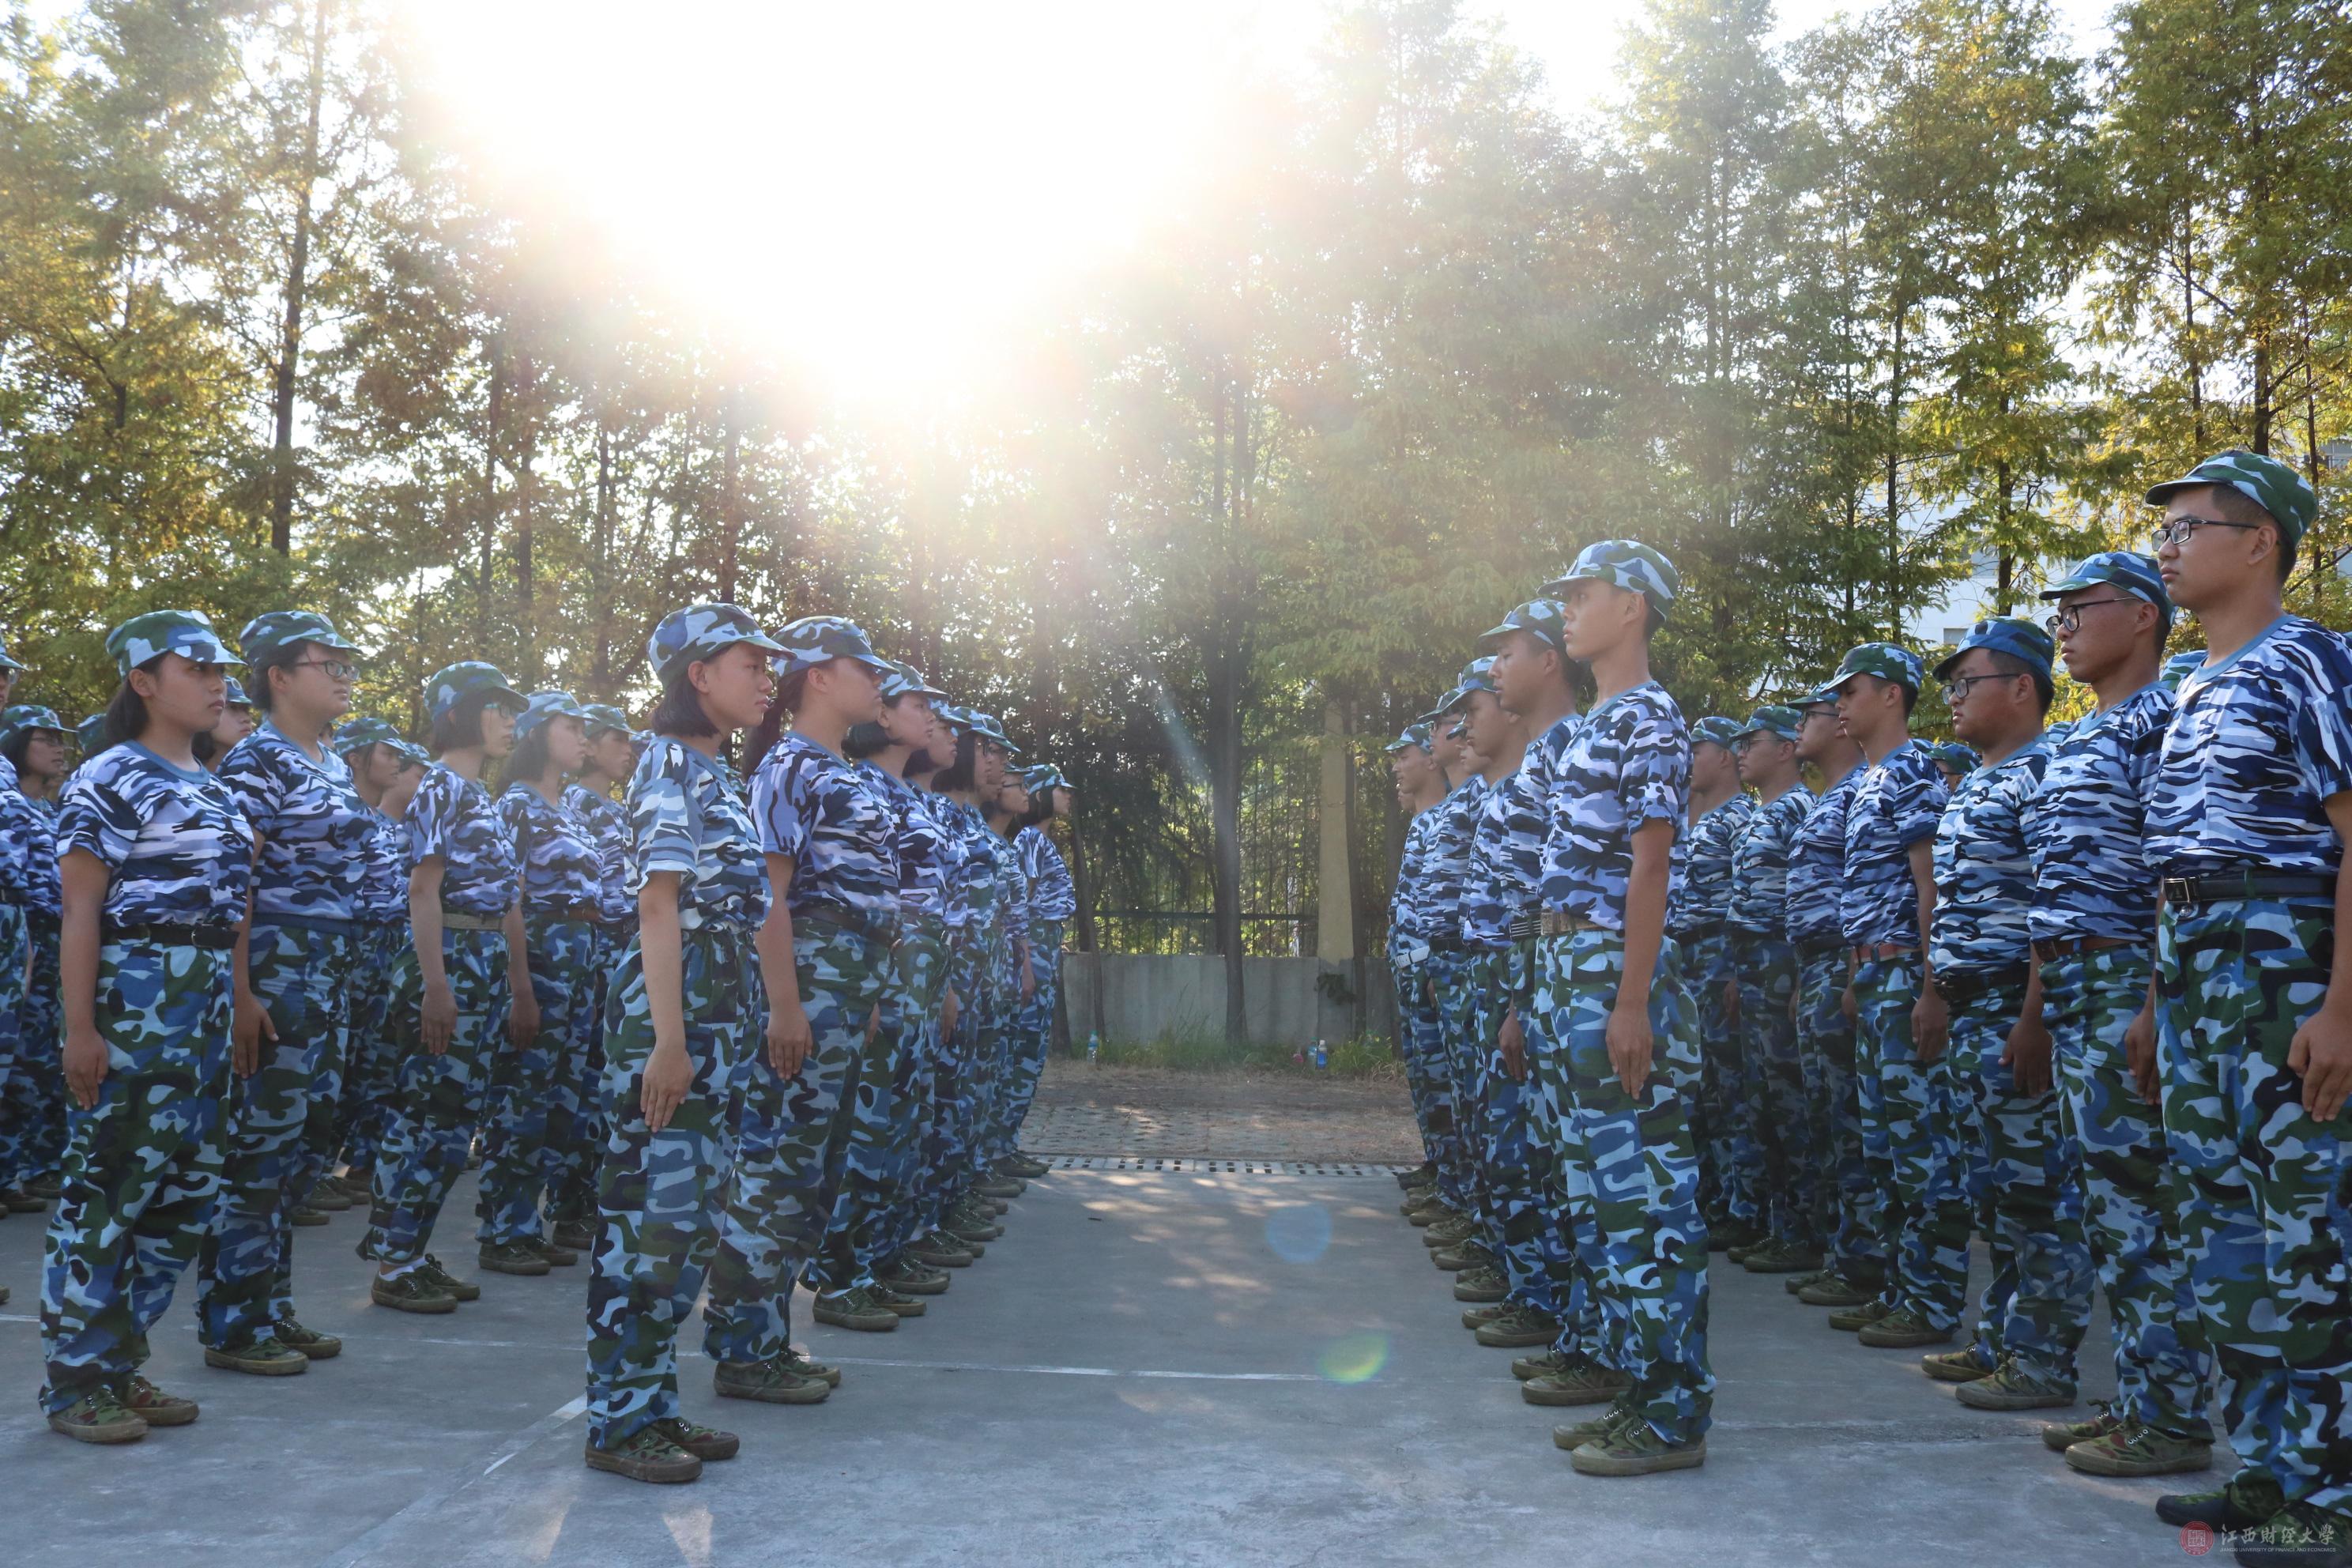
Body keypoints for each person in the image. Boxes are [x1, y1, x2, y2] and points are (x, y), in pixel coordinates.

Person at [2139, 450, 2352, 1562]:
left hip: (2285, 971)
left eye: (2190, 527)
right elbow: (2175, 864)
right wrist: (2154, 1004)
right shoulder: (2193, 687)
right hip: (2198, 977)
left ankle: (2335, 1493)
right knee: (2224, 1234)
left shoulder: (2311, 659)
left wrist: (2345, 1010)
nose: (2167, 546)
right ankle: (2275, 1472)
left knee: (2309, 1232)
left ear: (2260, 538)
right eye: (2165, 532)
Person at [2022, 550, 2214, 1481]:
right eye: (2054, 610)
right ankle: (2144, 1399)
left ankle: (2173, 1418)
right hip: (2073, 990)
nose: (2062, 623)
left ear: (2142, 616)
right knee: (2109, 1212)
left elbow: (2169, 876)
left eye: (2079, 606)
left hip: (2125, 981)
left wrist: (2151, 1001)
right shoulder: (2076, 736)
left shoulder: (2159, 721)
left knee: (2142, 1210)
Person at [41, 610, 254, 1442]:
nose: (217, 682)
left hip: (200, 999)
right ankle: (75, 1384)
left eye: (221, 669)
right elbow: (80, 908)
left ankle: (119, 1359)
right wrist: (80, 1027)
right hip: (136, 990)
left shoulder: (214, 783)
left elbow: (233, 908)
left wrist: (236, 997)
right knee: (110, 1187)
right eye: (196, 668)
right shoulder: (109, 776)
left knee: (188, 1191)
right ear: (141, 682)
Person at [583, 603, 782, 1483]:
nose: (767, 678)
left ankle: (651, 1404)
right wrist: (669, 1041)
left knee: (690, 1217)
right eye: (750, 663)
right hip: (677, 1006)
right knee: (649, 1219)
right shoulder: (668, 766)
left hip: (716, 999)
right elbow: (657, 905)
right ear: (697, 675)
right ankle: (619, 1422)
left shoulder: (713, 773)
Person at [1530, 539, 1712, 1476]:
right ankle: (1628, 1382)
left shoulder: (1649, 715)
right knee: (1597, 1196)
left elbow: (1652, 863)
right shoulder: (1596, 721)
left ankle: (1673, 1412)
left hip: (1611, 965)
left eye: (1584, 592)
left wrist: (1632, 999)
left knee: (1646, 1195)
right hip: (1567, 959)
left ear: (1633, 606)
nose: (1568, 608)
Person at [703, 613, 905, 1378]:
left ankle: (765, 1339)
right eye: (865, 667)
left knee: (814, 1172)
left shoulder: (838, 769)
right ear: (818, 676)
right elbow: (770, 900)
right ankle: (743, 1349)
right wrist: (785, 1006)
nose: (877, 680)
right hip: (811, 979)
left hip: (848, 981)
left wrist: (870, 994)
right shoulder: (787, 766)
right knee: (778, 1166)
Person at [196, 611, 371, 1376]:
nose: (342, 676)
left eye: (347, 664)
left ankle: (270, 1305)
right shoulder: (255, 762)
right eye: (326, 663)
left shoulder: (328, 759)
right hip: (275, 960)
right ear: (278, 675)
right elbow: (236, 884)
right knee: (260, 1147)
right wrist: (240, 991)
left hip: (328, 963)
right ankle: (234, 1322)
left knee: (306, 1142)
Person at [1921, 618, 2091, 1404]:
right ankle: (2002, 1339)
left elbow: (2051, 907)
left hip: (2012, 1008)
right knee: (1995, 1192)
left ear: (2021, 687)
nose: (1952, 699)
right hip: (1972, 1009)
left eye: (1967, 684)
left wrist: (2035, 1017)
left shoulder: (2045, 772)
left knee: (2036, 1196)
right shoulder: (1981, 778)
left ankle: (2045, 1361)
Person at [362, 661, 533, 1313]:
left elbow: (505, 898)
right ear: (458, 713)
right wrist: (435, 984)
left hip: (481, 953)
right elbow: (422, 890)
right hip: (452, 954)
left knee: (455, 1119)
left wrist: (516, 983)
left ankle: (410, 1250)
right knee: (428, 1113)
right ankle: (394, 1259)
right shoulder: (440, 787)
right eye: (496, 707)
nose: (510, 721)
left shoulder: (476, 792)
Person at [1822, 641, 1959, 1351]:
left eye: (1852, 691)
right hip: (1874, 976)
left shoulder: (1911, 776)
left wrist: (1932, 988)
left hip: (1908, 974)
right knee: (1882, 1143)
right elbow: (1862, 896)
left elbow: (1929, 886)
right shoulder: (1870, 781)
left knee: (1919, 1147)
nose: (1840, 704)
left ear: (1893, 696)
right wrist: (1853, 977)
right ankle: (1902, 1289)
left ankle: (1932, 1301)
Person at [846, 661, 959, 1299]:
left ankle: (884, 1252)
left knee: (903, 1122)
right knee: (870, 1125)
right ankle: (846, 1268)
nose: (929, 717)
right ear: (882, 716)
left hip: (918, 968)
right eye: (918, 705)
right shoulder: (860, 786)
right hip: (881, 969)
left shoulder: (913, 797)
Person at [480, 692, 599, 1275]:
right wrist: (520, 986)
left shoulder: (571, 805)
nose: (583, 738)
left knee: (561, 1101)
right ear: (535, 734)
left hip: (580, 962)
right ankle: (504, 1228)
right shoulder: (518, 806)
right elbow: (510, 902)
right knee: (522, 1098)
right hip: (542, 960)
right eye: (570, 726)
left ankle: (529, 1220)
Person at [1785, 690, 1882, 1310]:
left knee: (1854, 1123)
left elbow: (1869, 892)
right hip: (1818, 966)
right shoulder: (1830, 798)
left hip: (1851, 967)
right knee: (1827, 1119)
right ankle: (1848, 1251)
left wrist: (1849, 974)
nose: (1802, 727)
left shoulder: (1861, 794)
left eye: (1811, 717)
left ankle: (1867, 1258)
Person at [1722, 706, 1815, 1273]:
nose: (1741, 752)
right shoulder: (1763, 811)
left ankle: (1805, 1230)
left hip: (1783, 960)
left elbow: (1807, 900)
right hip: (1753, 963)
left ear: (1785, 748)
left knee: (1790, 1101)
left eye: (1751, 741)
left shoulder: (1799, 809)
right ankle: (1780, 1224)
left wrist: (1800, 975)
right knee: (1763, 1101)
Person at [550, 703, 639, 1251]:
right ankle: (567, 1203)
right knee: (580, 1084)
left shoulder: (616, 807)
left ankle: (583, 1201)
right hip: (593, 944)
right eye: (617, 740)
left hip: (621, 946)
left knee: (604, 1084)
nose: (628, 750)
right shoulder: (575, 802)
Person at [328, 719, 423, 1207]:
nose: (397, 764)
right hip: (350, 946)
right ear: (356, 757)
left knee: (369, 1062)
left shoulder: (385, 826)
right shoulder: (340, 816)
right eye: (388, 754)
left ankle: (334, 1164)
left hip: (386, 948)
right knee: (336, 1062)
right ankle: (313, 1170)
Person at [1676, 715, 1758, 1248]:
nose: (1688, 759)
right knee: (1697, 1086)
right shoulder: (1694, 819)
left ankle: (1742, 1203)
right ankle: (1708, 1195)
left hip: (1717, 953)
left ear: (1726, 757)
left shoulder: (1741, 817)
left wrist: (1730, 969)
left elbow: (1743, 900)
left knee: (1731, 1087)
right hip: (1685, 957)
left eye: (1698, 749)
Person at [0, 707, 71, 1213]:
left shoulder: (50, 810)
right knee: (17, 1056)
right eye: (45, 739)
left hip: (50, 939)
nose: (58, 747)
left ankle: (32, 1166)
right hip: (23, 931)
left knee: (41, 1059)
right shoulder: (12, 802)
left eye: (61, 739)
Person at [1385, 723, 1451, 1208]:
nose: (1396, 765)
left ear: (1432, 760)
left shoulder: (1448, 818)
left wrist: (1431, 968)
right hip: (1412, 968)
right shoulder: (1423, 821)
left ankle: (1451, 1179)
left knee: (1444, 1079)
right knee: (1425, 1076)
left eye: (1403, 755)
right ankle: (1437, 1165)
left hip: (1431, 968)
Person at [1008, 761, 1076, 1174]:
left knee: (1033, 1055)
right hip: (1035, 951)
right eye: (1061, 787)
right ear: (1041, 794)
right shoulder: (1030, 840)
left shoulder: (1043, 841)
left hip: (1046, 949)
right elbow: (1022, 905)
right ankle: (1000, 1147)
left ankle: (1008, 1144)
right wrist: (1028, 961)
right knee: (1024, 1052)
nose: (1069, 794)